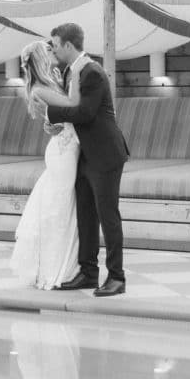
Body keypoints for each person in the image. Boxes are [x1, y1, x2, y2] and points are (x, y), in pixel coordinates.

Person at [32, 23, 129, 298]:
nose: (52, 49)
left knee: (108, 215)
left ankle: (117, 277)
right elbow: (74, 115)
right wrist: (54, 123)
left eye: (55, 44)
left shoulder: (92, 73)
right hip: (84, 154)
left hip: (105, 154)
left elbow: (85, 113)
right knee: (86, 215)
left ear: (68, 45)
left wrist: (51, 112)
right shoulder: (71, 72)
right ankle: (88, 273)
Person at [10, 40, 83, 290]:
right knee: (59, 209)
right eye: (49, 50)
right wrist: (80, 76)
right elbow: (73, 106)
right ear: (41, 57)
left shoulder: (49, 83)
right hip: (62, 152)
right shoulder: (39, 89)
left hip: (68, 148)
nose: (53, 52)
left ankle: (67, 264)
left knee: (63, 207)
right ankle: (56, 270)